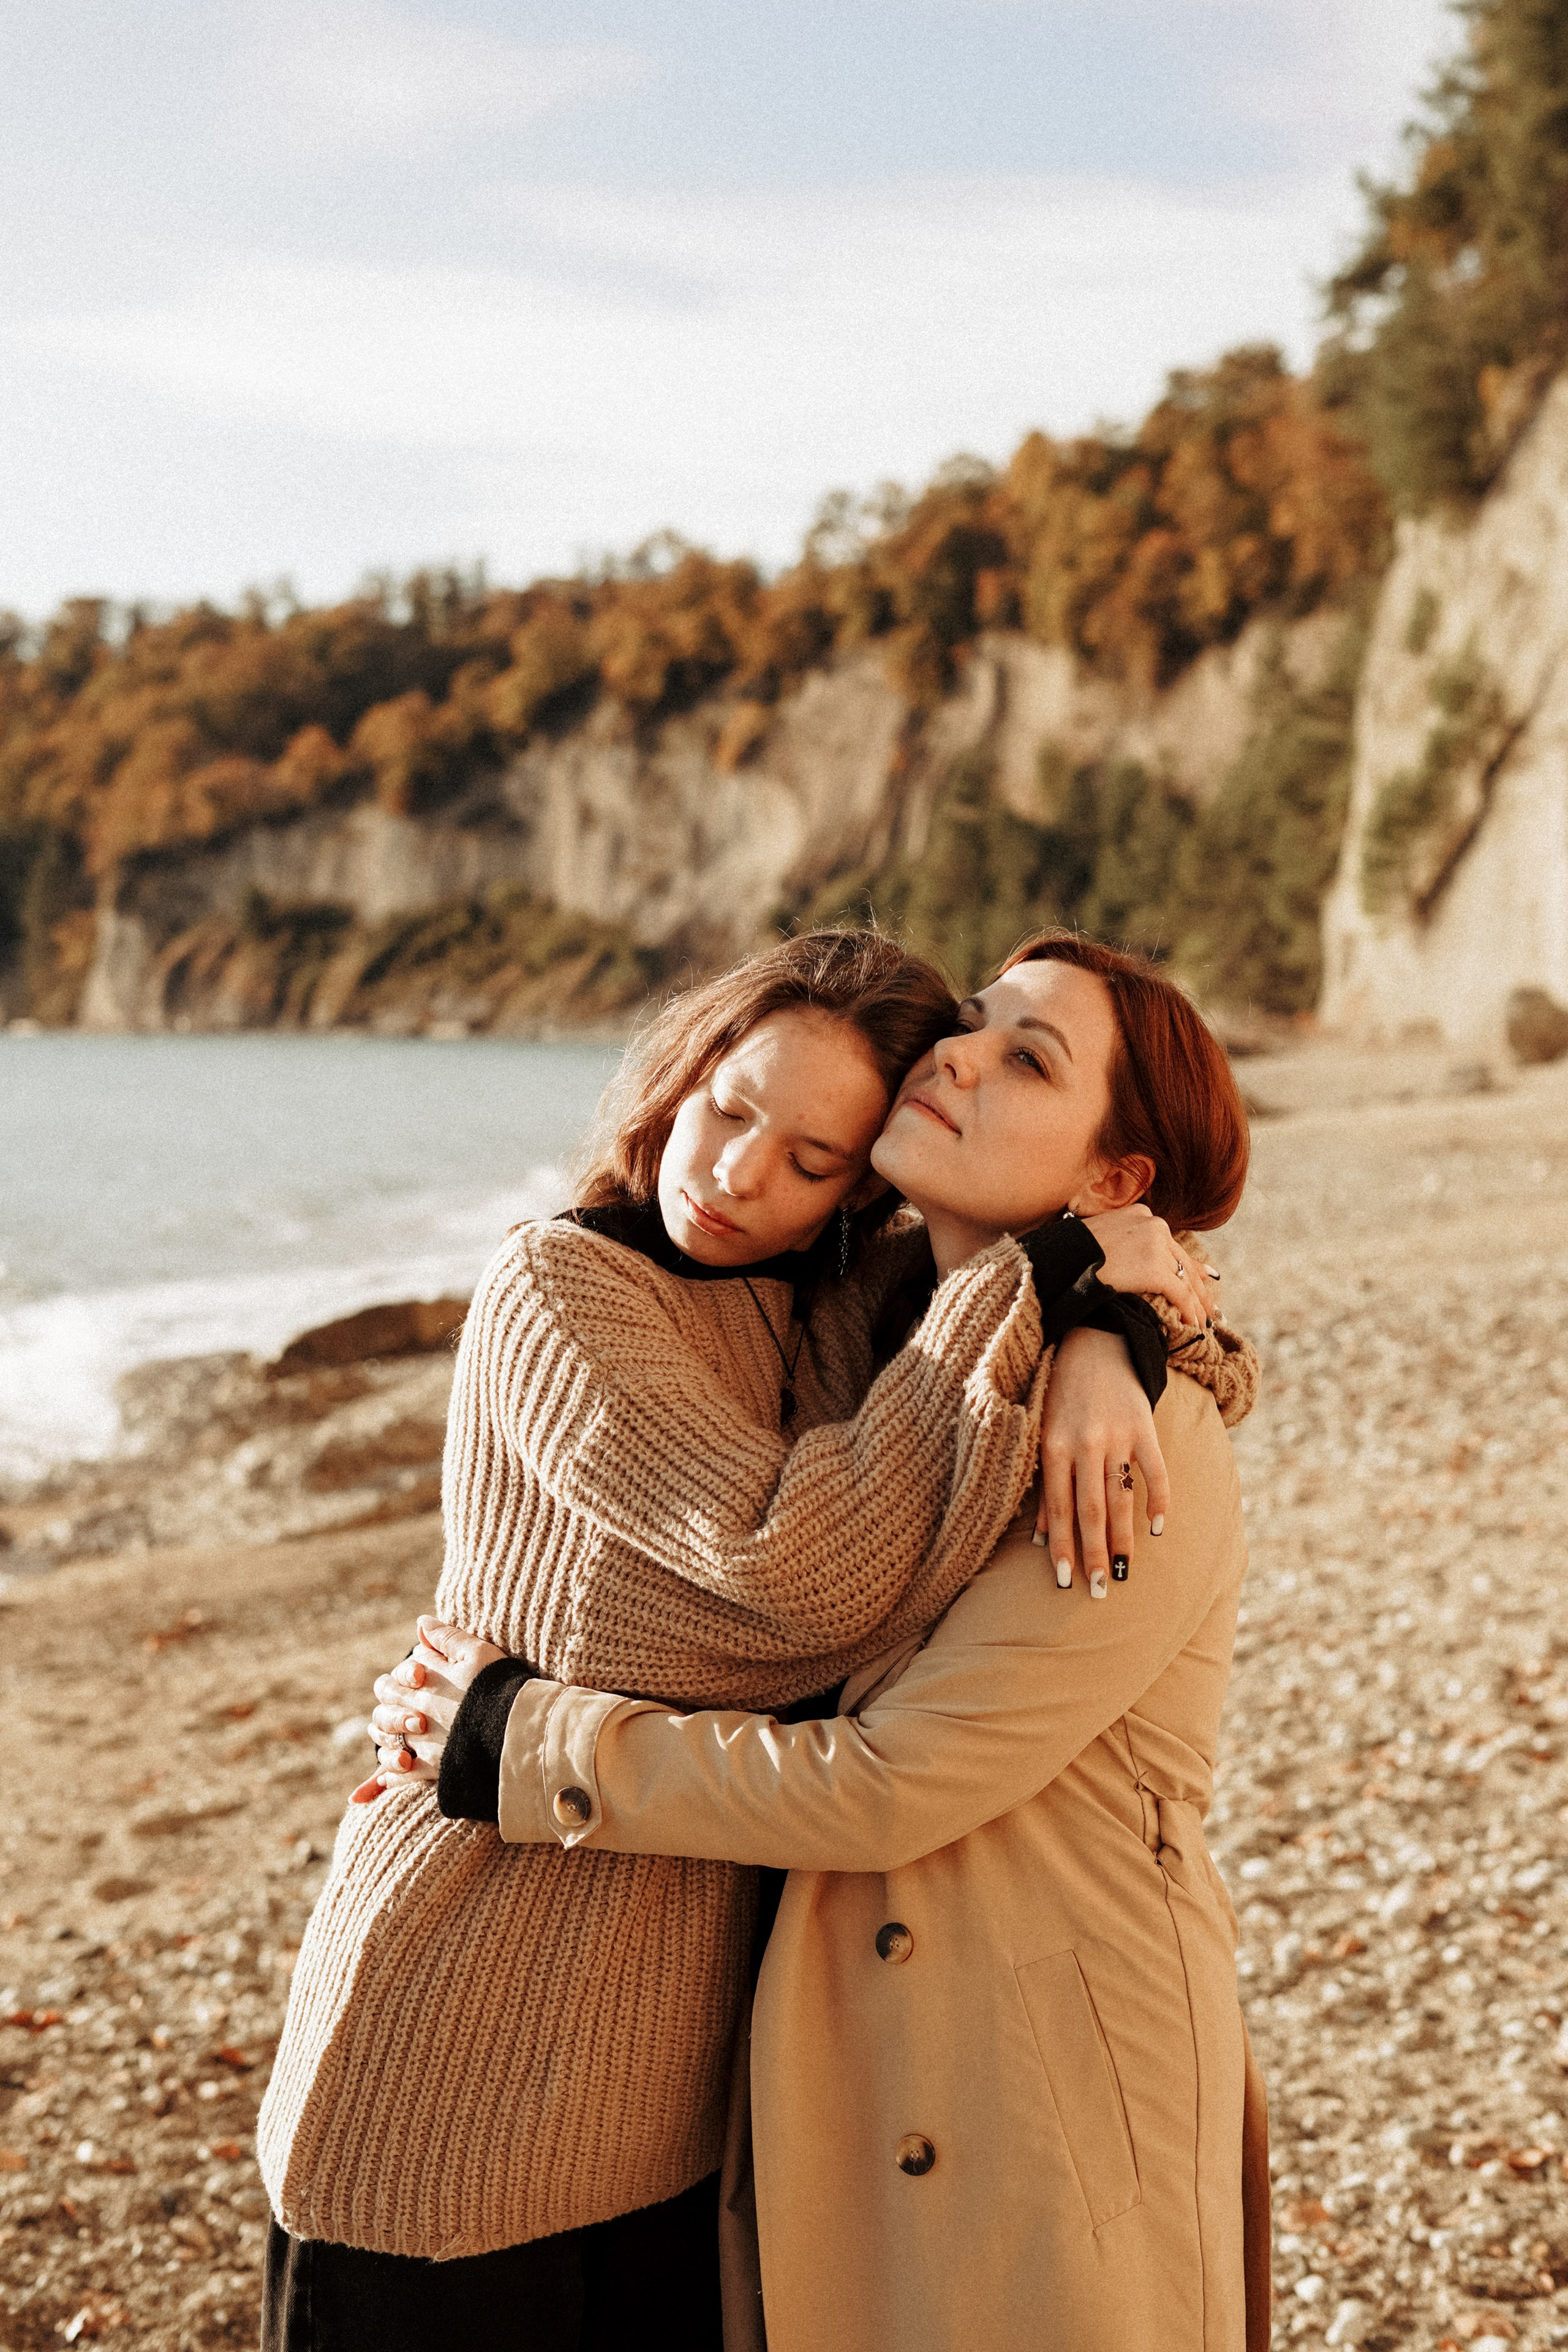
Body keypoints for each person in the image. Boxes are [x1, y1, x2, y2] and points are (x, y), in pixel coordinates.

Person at [258, 929, 1234, 2350]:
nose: (734, 1175)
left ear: (856, 1183)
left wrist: (1104, 1327)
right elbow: (798, 1578)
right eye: (727, 1110)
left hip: (679, 2092)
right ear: (681, 1072)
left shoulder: (856, 1309)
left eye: (812, 1159)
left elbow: (1189, 1357)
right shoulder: (562, 1291)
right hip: (460, 2018)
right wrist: (1061, 1287)